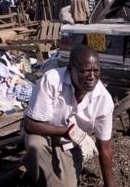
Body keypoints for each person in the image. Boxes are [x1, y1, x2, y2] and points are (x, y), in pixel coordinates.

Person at [22, 45, 115, 187]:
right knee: (36, 146)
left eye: (95, 71)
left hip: (69, 143)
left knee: (67, 184)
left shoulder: (103, 100)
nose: (91, 77)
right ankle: (35, 166)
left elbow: (105, 147)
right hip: (41, 133)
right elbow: (30, 124)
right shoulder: (52, 80)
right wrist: (67, 131)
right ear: (70, 69)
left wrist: (110, 185)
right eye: (84, 71)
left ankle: (39, 172)